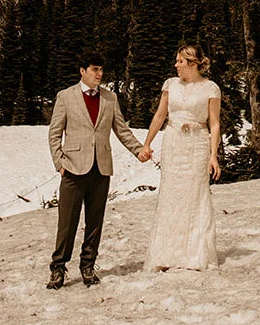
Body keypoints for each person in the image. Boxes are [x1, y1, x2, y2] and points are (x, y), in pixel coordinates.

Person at [46, 51, 148, 289]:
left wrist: (138, 150)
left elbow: (121, 130)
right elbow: (54, 133)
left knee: (95, 222)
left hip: (101, 169)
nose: (99, 74)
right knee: (67, 223)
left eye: (101, 70)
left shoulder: (110, 98)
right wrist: (60, 164)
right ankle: (58, 268)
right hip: (72, 168)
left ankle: (88, 266)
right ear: (82, 71)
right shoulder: (66, 96)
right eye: (94, 70)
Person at [140, 43, 221, 271]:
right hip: (174, 142)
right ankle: (167, 253)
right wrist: (147, 143)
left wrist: (213, 155)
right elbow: (159, 116)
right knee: (172, 194)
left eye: (180, 61)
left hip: (197, 143)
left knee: (195, 194)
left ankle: (194, 254)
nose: (176, 65)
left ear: (193, 63)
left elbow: (214, 123)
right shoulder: (170, 85)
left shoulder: (211, 88)